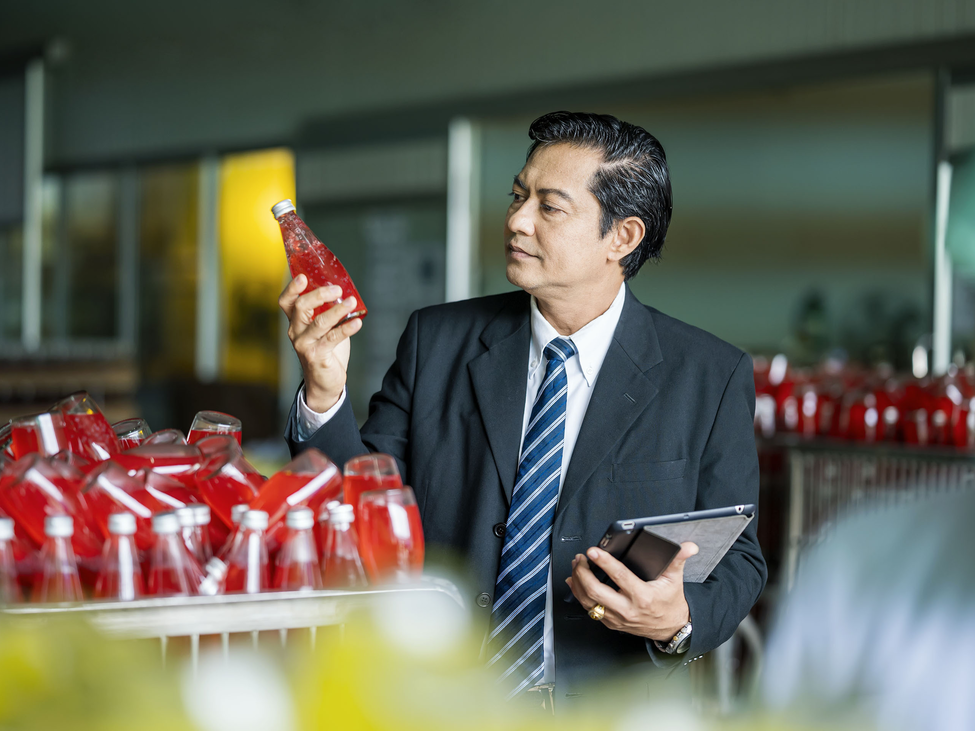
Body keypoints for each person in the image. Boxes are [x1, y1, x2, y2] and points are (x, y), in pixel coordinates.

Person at [279, 111, 766, 705]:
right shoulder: (438, 343)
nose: (517, 220)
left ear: (623, 237)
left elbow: (739, 557)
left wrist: (676, 619)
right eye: (518, 195)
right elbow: (359, 506)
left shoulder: (709, 376)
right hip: (436, 697)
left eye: (550, 206)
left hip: (604, 708)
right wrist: (325, 393)